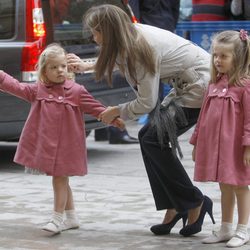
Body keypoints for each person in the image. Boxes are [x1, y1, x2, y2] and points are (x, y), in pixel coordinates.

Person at [67, 4, 214, 237]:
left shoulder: (141, 48)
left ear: (108, 31)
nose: (93, 36)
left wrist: (116, 111)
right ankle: (175, 205)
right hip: (186, 84)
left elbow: (147, 102)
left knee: (153, 139)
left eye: (95, 32)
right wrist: (86, 65)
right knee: (149, 138)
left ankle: (194, 202)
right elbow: (117, 55)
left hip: (200, 87)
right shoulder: (128, 37)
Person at [0, 43, 124, 234]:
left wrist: (113, 118)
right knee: (62, 180)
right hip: (48, 147)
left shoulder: (77, 90)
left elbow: (96, 108)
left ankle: (56, 219)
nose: (60, 70)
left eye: (63, 66)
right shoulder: (37, 91)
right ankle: (72, 218)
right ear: (44, 71)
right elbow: (15, 86)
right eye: (54, 67)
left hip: (68, 146)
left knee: (59, 179)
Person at [190, 29, 250, 248]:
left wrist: (248, 147)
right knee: (225, 186)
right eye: (215, 55)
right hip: (217, 147)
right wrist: (196, 142)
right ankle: (225, 227)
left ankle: (243, 230)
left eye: (223, 56)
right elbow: (203, 117)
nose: (217, 60)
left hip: (236, 147)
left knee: (240, 186)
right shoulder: (213, 86)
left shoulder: (245, 87)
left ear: (239, 58)